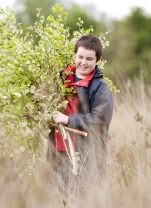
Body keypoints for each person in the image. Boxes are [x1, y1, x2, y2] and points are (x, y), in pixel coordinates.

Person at [46, 34, 114, 198]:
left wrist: (68, 120)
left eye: (89, 59)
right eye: (80, 57)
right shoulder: (60, 80)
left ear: (98, 60)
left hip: (86, 156)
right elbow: (47, 113)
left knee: (82, 201)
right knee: (56, 200)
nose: (83, 62)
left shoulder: (100, 88)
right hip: (57, 152)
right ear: (74, 55)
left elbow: (100, 121)